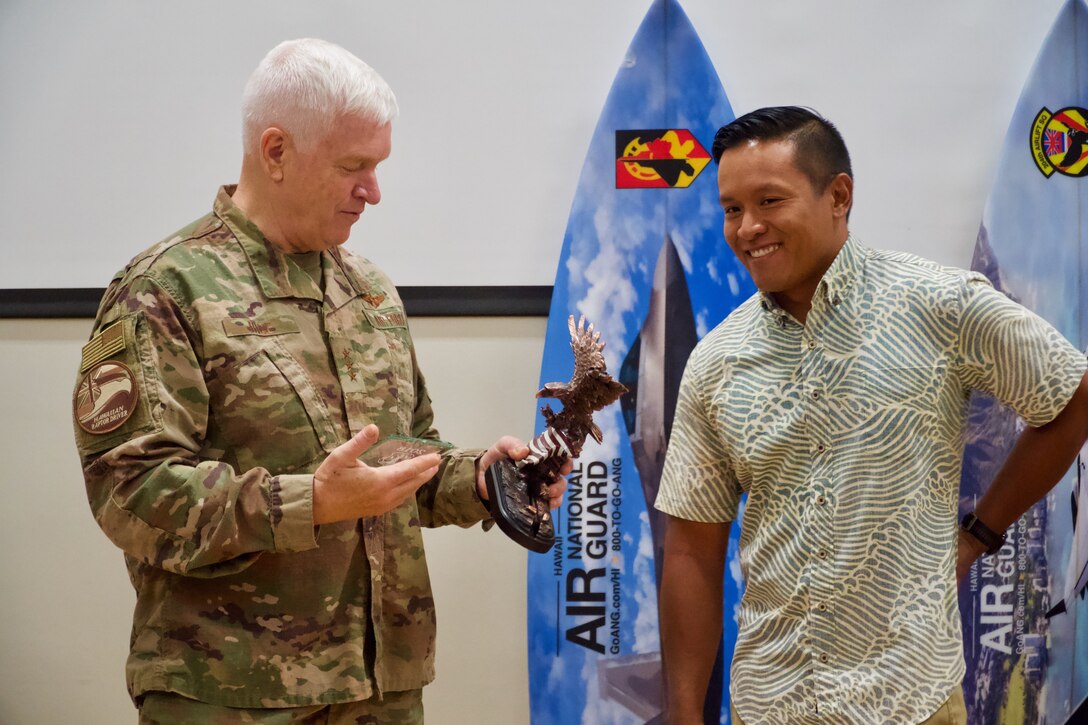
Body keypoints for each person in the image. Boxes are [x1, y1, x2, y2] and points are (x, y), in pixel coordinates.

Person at [72, 38, 566, 723]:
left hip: (382, 687)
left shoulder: (369, 292)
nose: (374, 191)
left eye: (378, 165)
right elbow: (129, 493)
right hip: (232, 690)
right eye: (353, 166)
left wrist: (480, 478)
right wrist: (308, 502)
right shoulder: (164, 289)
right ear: (275, 151)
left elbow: (403, 455)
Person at [655, 106, 1088, 725]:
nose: (747, 227)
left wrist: (980, 535)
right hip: (769, 703)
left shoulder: (940, 305)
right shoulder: (716, 361)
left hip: (909, 702)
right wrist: (681, 712)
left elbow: (1073, 395)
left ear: (839, 195)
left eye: (769, 201)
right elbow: (691, 550)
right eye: (731, 208)